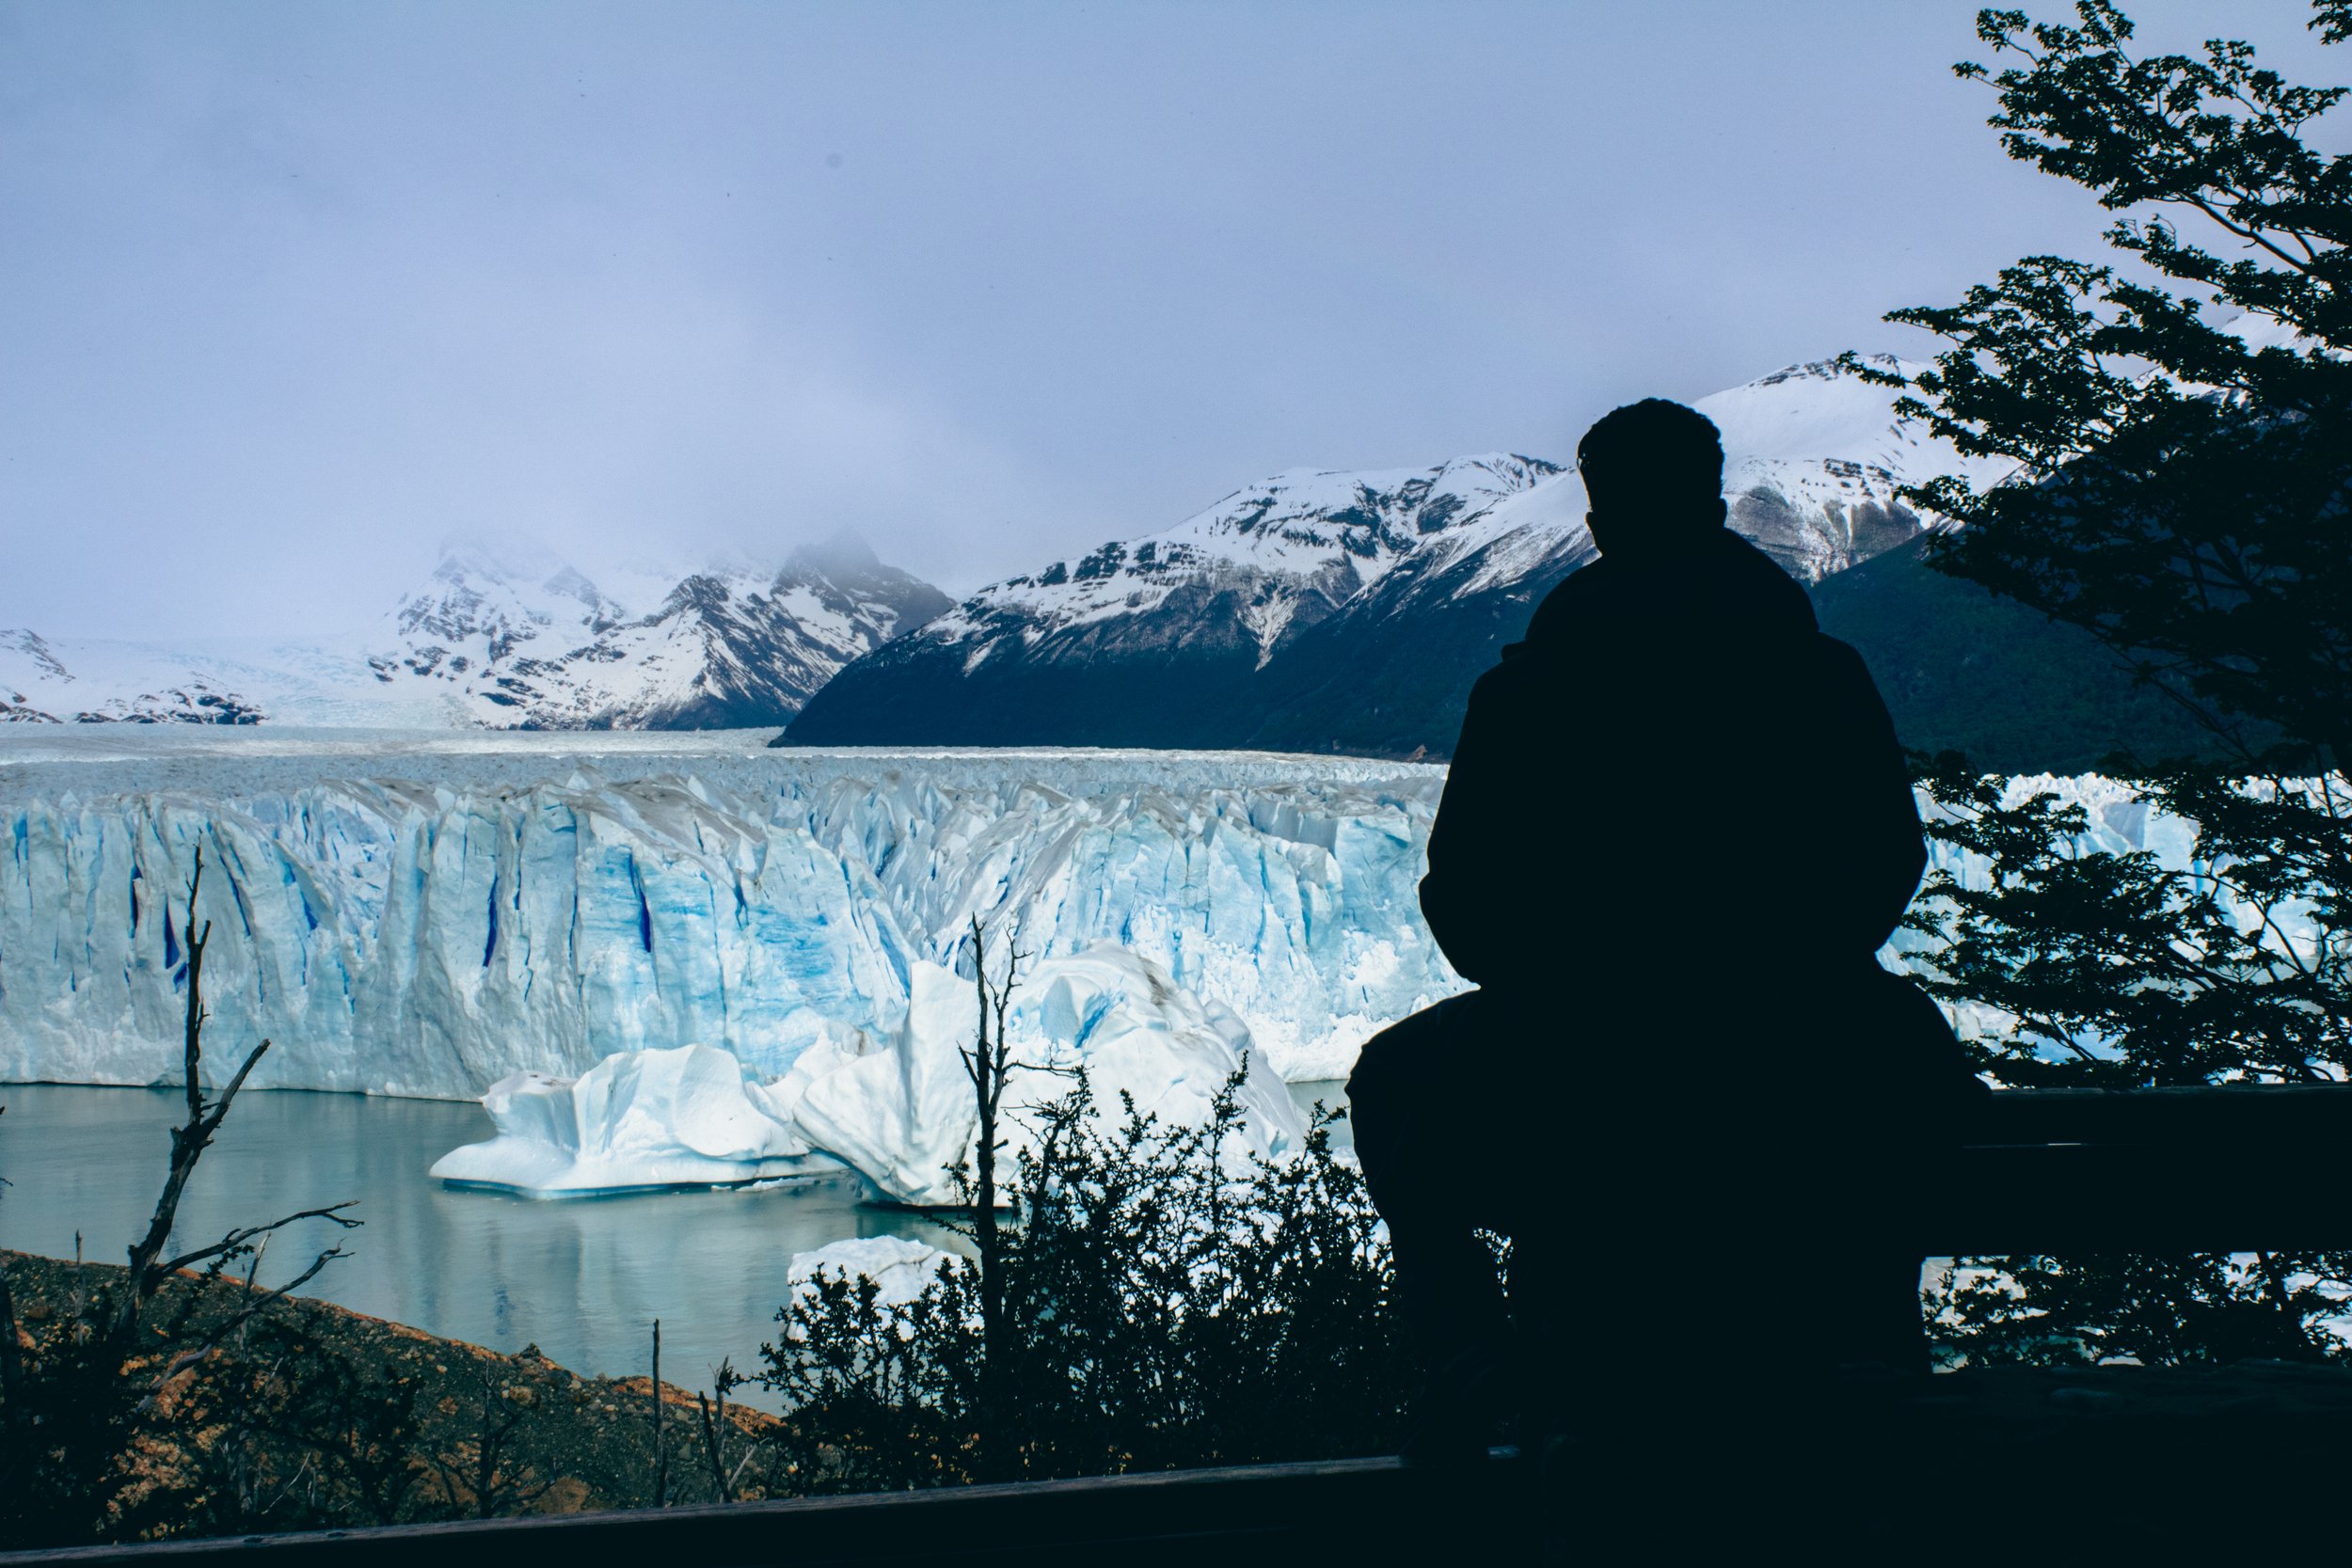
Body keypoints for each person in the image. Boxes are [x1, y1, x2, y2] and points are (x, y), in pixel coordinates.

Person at [1347, 398, 1976, 1466]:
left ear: (1597, 520)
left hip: (1576, 1046)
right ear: (1714, 500)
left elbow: (1463, 893)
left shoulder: (1532, 689)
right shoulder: (1817, 671)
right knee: (1907, 1073)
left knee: (1388, 1081)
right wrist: (1793, 968)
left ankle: (1469, 1354)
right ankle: (1862, 1334)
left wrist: (1559, 986)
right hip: (1807, 1028)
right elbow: (1885, 858)